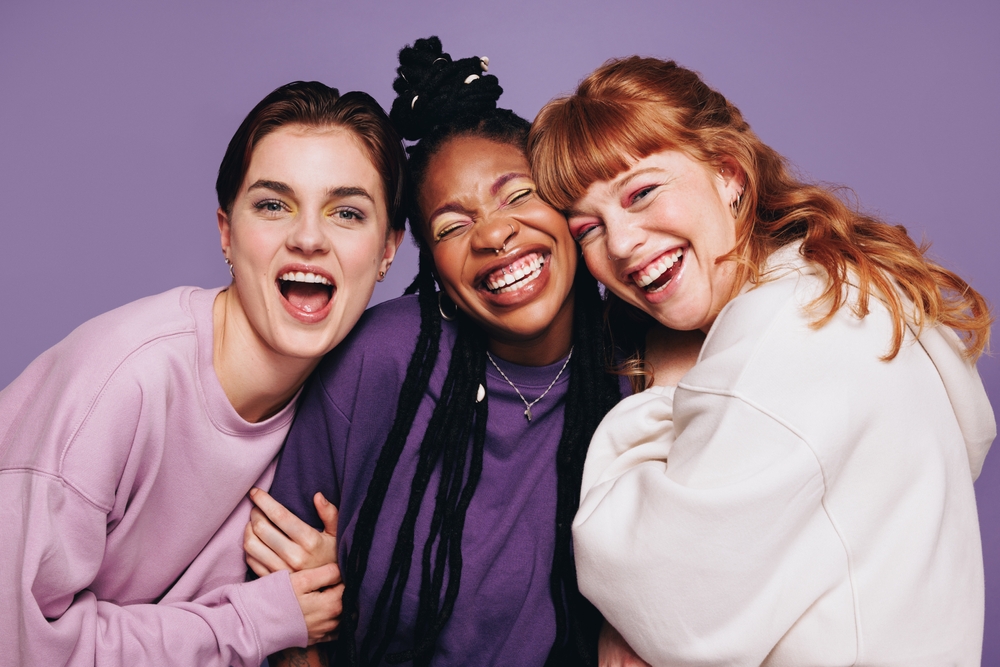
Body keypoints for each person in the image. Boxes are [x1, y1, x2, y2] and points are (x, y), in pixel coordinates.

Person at [526, 56, 997, 666]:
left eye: (642, 192)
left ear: (728, 175)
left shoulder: (789, 326)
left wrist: (665, 392)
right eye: (588, 228)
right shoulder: (840, 289)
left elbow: (663, 600)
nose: (620, 243)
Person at [244, 37, 625, 666]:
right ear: (430, 267)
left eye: (518, 194)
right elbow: (283, 602)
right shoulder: (383, 358)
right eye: (452, 226)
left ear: (565, 202)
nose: (495, 233)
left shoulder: (639, 366)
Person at [0, 81, 406, 666]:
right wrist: (263, 620)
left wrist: (337, 581)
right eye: (273, 204)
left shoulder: (349, 404)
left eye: (346, 212)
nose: (309, 238)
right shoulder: (120, 383)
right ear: (226, 232)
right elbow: (24, 646)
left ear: (389, 250)